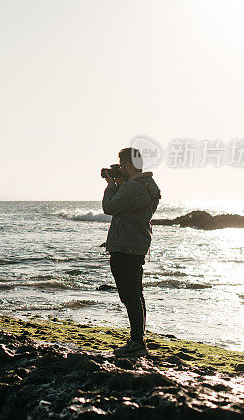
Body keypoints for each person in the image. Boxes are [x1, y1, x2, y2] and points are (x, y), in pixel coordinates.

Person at [102, 147, 161, 357]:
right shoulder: (150, 185)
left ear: (127, 165)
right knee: (136, 294)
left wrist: (111, 185)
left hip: (125, 246)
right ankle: (139, 339)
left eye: (121, 166)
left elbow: (109, 207)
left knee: (129, 295)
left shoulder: (132, 187)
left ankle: (137, 342)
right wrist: (121, 184)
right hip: (138, 244)